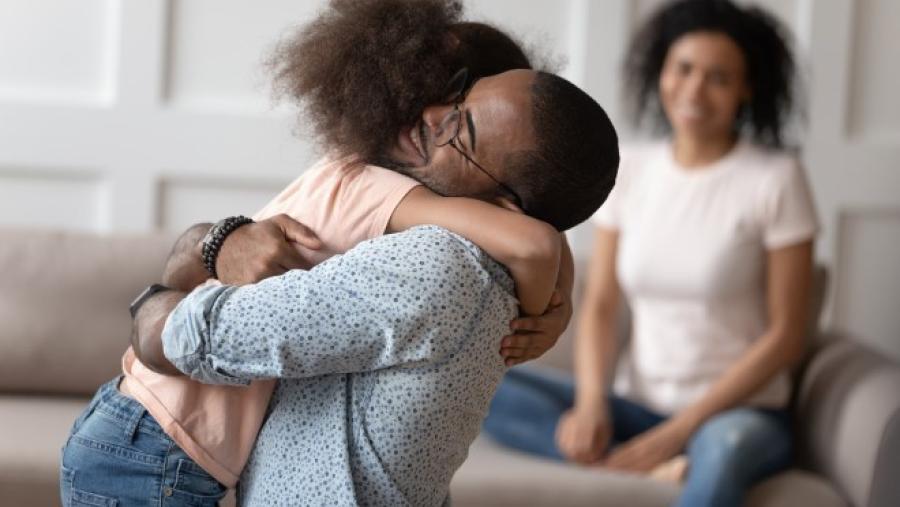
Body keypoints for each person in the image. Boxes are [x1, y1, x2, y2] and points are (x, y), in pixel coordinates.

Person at [59, 1, 620, 505]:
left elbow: (530, 223)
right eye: (446, 102)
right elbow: (535, 237)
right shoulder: (377, 190)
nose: (430, 120)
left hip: (173, 440)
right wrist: (554, 297)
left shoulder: (417, 234)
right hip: (158, 435)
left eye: (459, 123)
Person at [482, 1, 818, 506]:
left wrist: (681, 429)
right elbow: (601, 305)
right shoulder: (632, 170)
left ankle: (657, 457)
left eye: (719, 78)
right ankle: (650, 464)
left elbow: (787, 335)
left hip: (737, 415)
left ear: (747, 89)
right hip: (635, 406)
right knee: (485, 384)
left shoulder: (777, 179)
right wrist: (592, 404)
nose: (694, 91)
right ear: (661, 70)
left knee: (724, 449)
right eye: (683, 69)